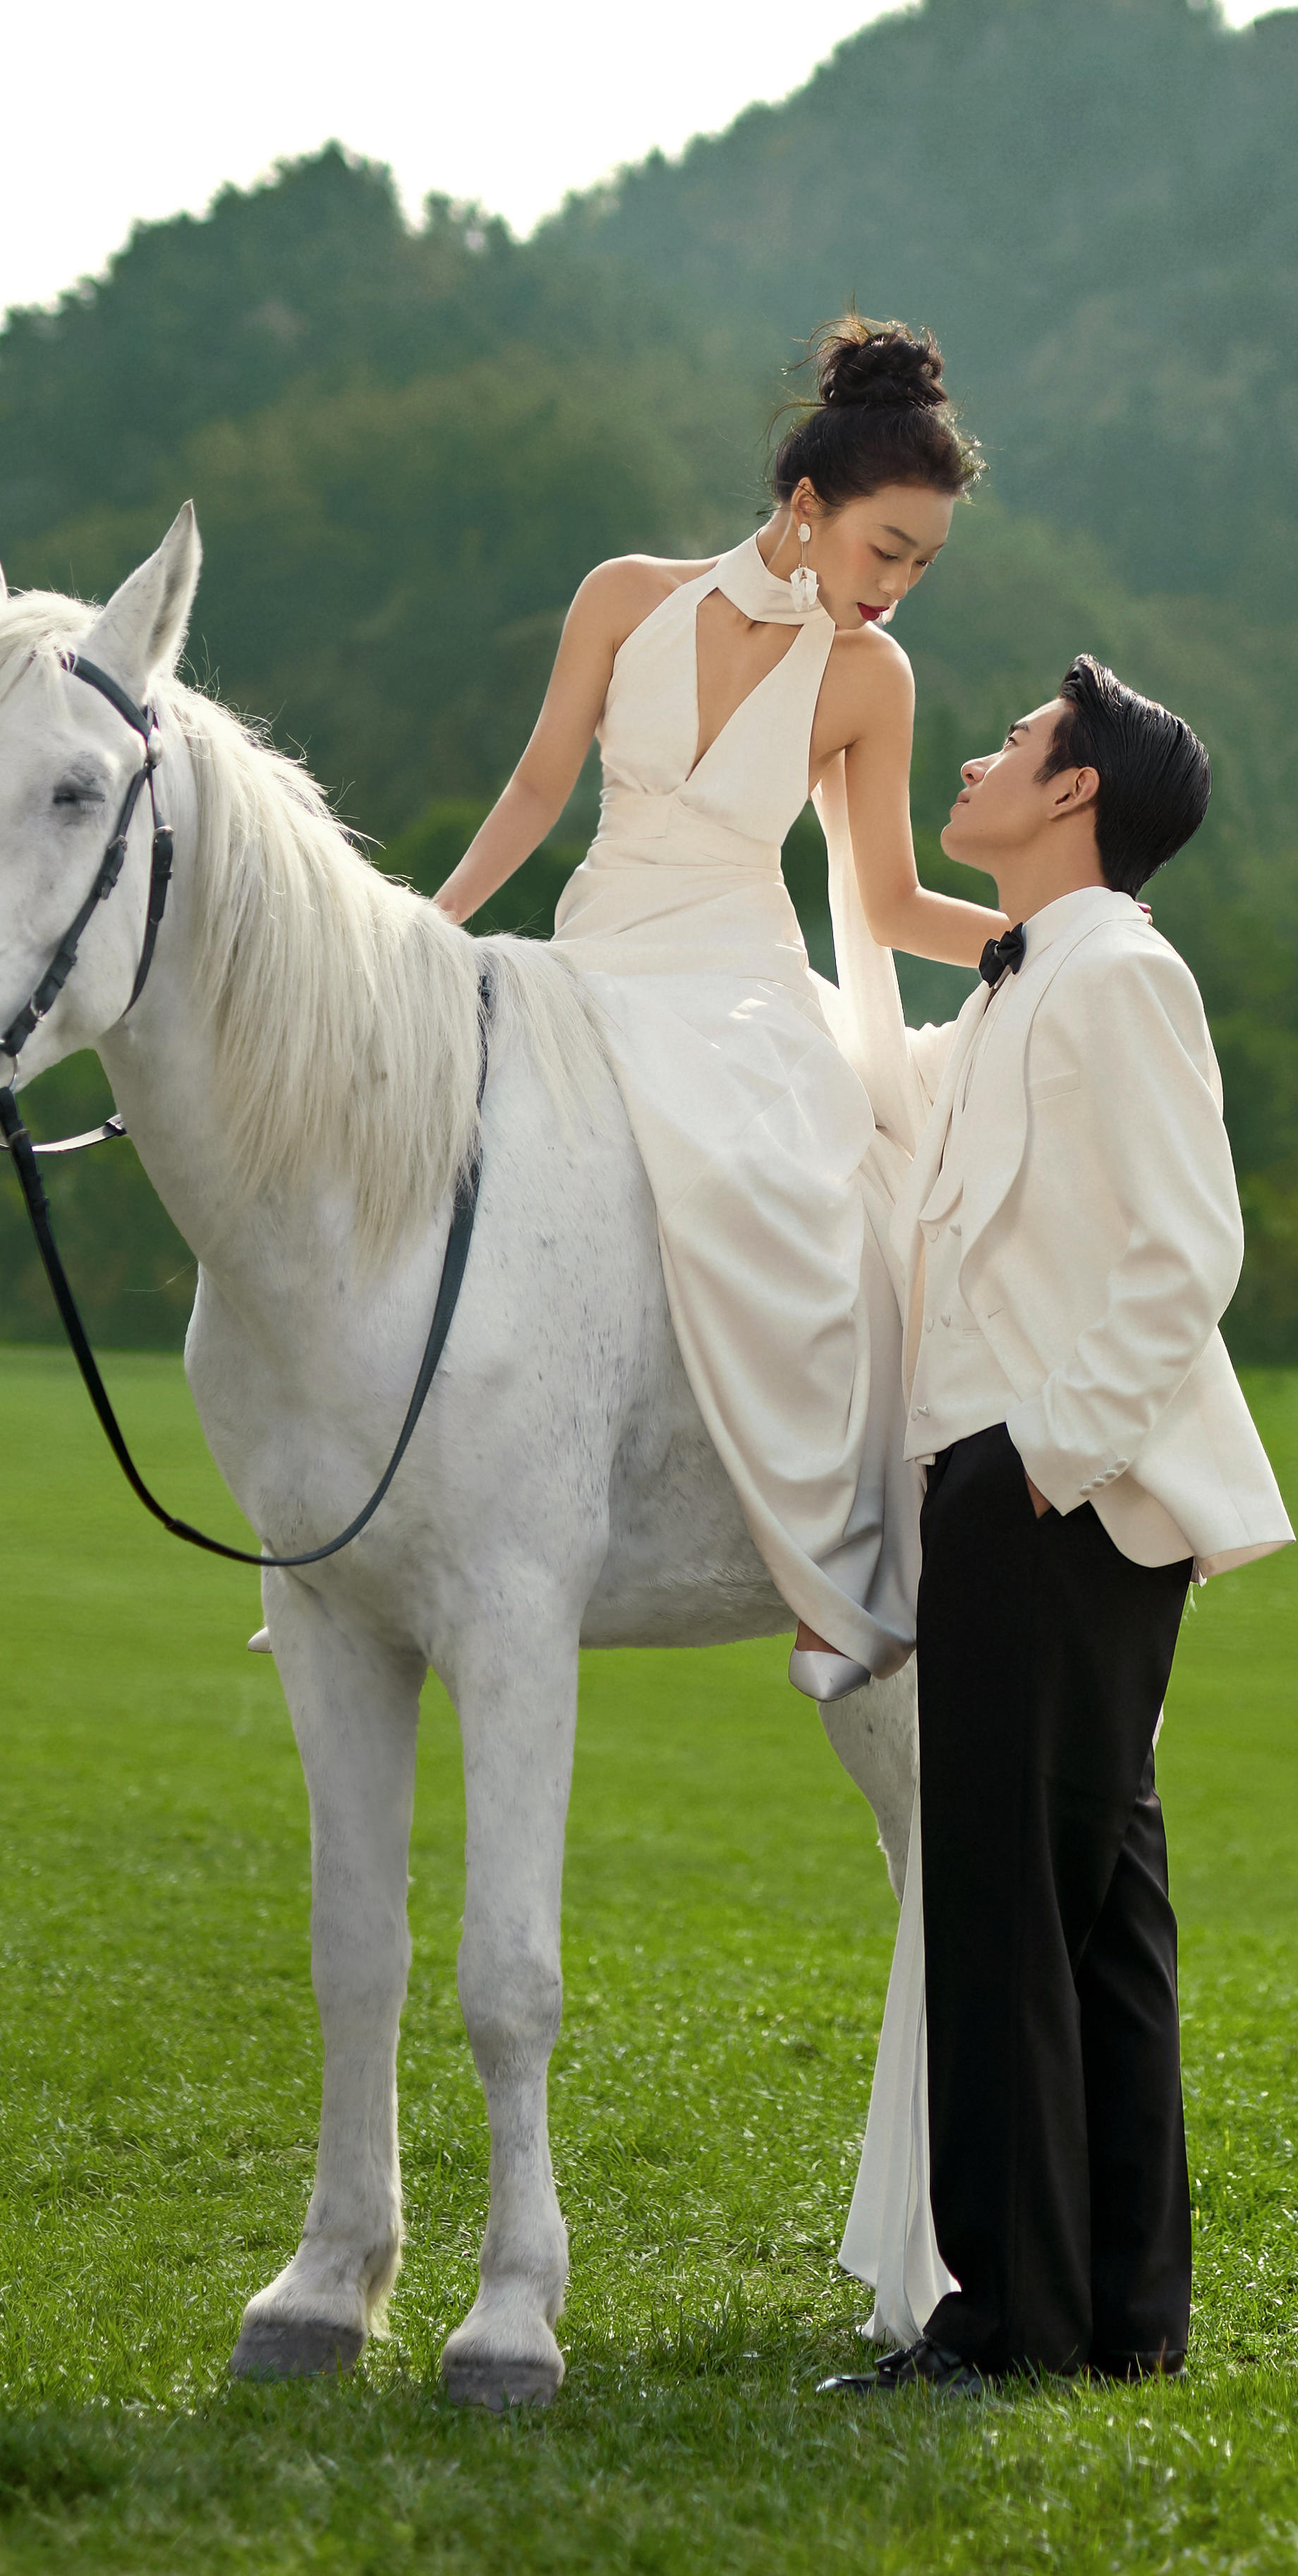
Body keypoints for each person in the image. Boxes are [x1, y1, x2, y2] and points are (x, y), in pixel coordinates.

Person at [823, 658, 1294, 2393]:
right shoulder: (1027, 988)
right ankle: (1116, 2323)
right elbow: (879, 1072)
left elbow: (1192, 1248)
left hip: (1050, 1499)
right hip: (1011, 1490)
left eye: (1016, 742)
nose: (978, 753)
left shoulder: (1123, 978)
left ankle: (1007, 2324)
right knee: (1090, 1922)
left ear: (1079, 792)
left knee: (1008, 1915)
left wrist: (1038, 1459)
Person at [427, 318, 1006, 1683]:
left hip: (741, 975)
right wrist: (428, 930)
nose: (902, 587)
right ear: (809, 504)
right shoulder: (626, 596)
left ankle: (825, 1554)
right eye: (887, 551)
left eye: (924, 565)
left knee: (794, 1181)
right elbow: (533, 790)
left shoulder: (871, 678)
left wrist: (1058, 933)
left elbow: (886, 901)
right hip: (604, 947)